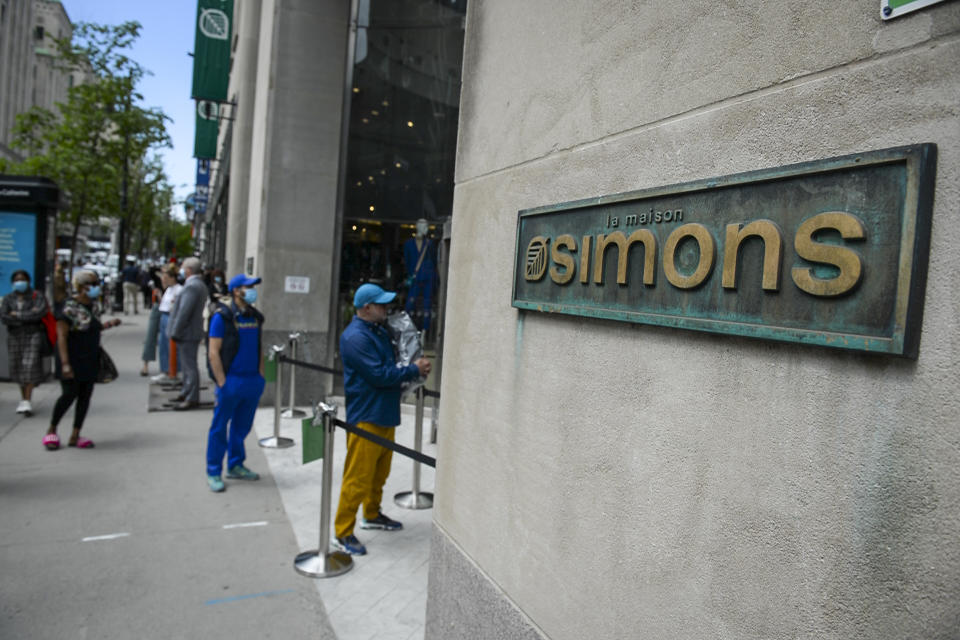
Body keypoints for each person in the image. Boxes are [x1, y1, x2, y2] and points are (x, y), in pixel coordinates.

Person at [334, 283, 431, 555]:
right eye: (381, 304)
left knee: (379, 473)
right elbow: (379, 375)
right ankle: (342, 532)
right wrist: (413, 369)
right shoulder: (355, 337)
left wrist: (412, 364)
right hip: (367, 416)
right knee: (357, 478)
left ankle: (372, 514)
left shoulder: (377, 331)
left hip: (385, 413)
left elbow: (392, 365)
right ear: (366, 308)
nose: (386, 308)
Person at [43, 270, 121, 450]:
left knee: (85, 396)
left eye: (96, 283)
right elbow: (61, 336)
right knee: (69, 394)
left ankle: (75, 434)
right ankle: (52, 428)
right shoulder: (68, 307)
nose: (96, 287)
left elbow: (93, 327)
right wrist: (65, 363)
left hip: (90, 356)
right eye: (92, 284)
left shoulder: (93, 306)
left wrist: (110, 324)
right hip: (72, 356)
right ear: (81, 286)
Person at [204, 274, 266, 492]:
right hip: (231, 381)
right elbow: (214, 352)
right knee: (219, 427)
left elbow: (259, 347)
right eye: (248, 287)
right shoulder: (222, 317)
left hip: (251, 381)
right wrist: (222, 382)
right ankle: (213, 471)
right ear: (236, 290)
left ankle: (236, 464)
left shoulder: (255, 317)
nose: (252, 290)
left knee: (242, 427)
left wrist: (261, 375)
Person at [1, 270, 50, 416]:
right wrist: (27, 315)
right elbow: (4, 317)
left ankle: (27, 400)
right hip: (14, 336)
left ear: (28, 281)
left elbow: (39, 313)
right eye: (16, 279)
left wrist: (16, 314)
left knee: (29, 366)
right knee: (17, 367)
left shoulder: (37, 296)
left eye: (22, 279)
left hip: (33, 335)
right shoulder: (8, 298)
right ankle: (23, 399)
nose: (19, 282)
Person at [167, 257, 207, 410]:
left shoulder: (192, 286)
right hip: (191, 331)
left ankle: (191, 397)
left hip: (187, 332)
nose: (181, 271)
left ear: (189, 270)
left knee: (189, 366)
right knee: (187, 365)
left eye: (183, 268)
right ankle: (186, 392)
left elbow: (184, 311)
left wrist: (176, 330)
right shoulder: (198, 285)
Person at [403, 218, 438, 332]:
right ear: (418, 227)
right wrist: (410, 273)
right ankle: (408, 329)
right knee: (410, 304)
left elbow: (433, 261)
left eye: (427, 226)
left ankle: (425, 332)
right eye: (424, 226)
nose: (426, 229)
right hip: (415, 277)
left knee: (427, 304)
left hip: (428, 278)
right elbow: (407, 261)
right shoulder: (408, 244)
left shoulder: (429, 244)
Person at [152, 264, 181, 381]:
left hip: (170, 317)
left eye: (165, 276)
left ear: (172, 277)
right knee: (163, 345)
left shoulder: (179, 290)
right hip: (164, 316)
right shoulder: (168, 289)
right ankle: (165, 369)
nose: (163, 279)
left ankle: (173, 370)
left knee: (170, 346)